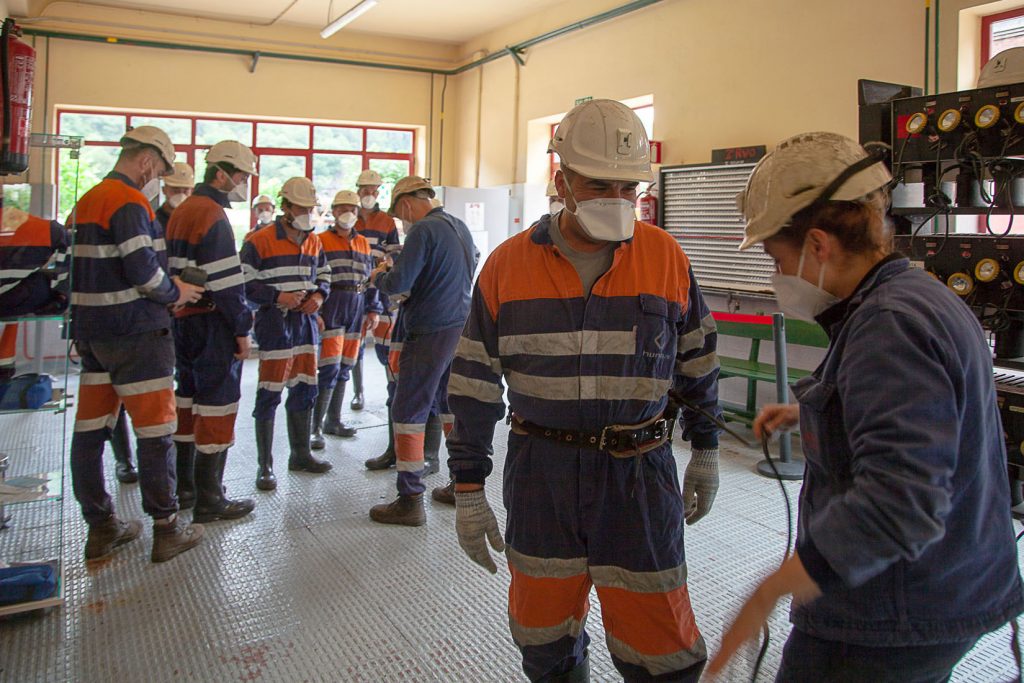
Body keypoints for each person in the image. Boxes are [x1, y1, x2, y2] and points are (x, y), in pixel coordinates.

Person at [708, 132, 1024, 681]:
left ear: (818, 245)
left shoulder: (888, 325)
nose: (775, 274)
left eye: (774, 256)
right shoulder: (913, 296)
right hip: (949, 588)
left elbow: (900, 503)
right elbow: (920, 421)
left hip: (890, 615)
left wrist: (771, 590)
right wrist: (813, 413)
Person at [446, 99, 722, 682]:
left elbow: (697, 361)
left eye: (630, 187)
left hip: (640, 477)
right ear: (562, 181)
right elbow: (472, 385)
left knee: (662, 647)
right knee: (545, 639)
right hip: (541, 474)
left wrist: (706, 449)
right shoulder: (505, 267)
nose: (618, 200)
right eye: (601, 184)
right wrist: (468, 487)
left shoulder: (666, 257)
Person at [69, 125, 206, 563]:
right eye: (161, 171)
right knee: (156, 433)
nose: (158, 180)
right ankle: (166, 529)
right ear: (147, 161)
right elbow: (144, 273)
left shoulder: (87, 199)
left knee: (91, 432)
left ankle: (102, 526)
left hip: (92, 334)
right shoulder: (128, 202)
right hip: (137, 334)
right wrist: (176, 292)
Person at [365, 176, 476, 526]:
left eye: (399, 214)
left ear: (407, 204)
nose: (401, 220)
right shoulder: (459, 227)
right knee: (447, 406)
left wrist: (379, 276)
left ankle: (410, 498)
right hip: (458, 325)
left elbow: (399, 283)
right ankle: (461, 483)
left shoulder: (422, 232)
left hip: (428, 330)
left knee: (408, 409)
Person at [166, 140, 257, 523]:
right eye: (239, 176)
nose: (242, 183)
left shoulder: (183, 210)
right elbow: (226, 285)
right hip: (212, 324)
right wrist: (241, 329)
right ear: (220, 173)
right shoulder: (212, 215)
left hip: (183, 322)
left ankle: (185, 488)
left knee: (186, 401)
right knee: (217, 404)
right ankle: (210, 498)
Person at [240, 176, 332, 489]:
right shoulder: (258, 240)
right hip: (274, 323)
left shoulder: (314, 240)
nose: (306, 212)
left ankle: (301, 454)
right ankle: (265, 466)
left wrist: (319, 297)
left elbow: (324, 275)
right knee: (270, 390)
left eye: (310, 207)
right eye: (300, 207)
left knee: (306, 387)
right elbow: (245, 284)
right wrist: (277, 297)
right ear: (285, 207)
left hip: (305, 325)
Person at [310, 189, 381, 450]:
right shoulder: (319, 241)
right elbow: (313, 277)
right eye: (341, 208)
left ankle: (334, 421)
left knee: (345, 366)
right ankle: (315, 428)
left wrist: (373, 309)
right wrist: (316, 312)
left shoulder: (363, 242)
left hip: (357, 308)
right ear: (334, 211)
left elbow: (371, 278)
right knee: (328, 366)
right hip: (331, 306)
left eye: (351, 208)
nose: (347, 213)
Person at [352, 168, 401, 413]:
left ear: (378, 192)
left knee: (385, 341)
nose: (369, 194)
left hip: (381, 290)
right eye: (365, 190)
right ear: (358, 191)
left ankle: (389, 388)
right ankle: (357, 392)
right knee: (354, 343)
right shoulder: (350, 217)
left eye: (373, 190)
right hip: (353, 290)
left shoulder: (387, 221)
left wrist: (384, 267)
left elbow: (394, 253)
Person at [0, 207, 69, 380]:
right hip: (19, 300)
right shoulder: (44, 229)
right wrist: (60, 292)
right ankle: (4, 368)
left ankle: (4, 367)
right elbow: (63, 242)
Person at [155, 162, 194, 232]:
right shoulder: (154, 222)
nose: (181, 195)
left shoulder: (195, 221)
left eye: (185, 191)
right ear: (164, 190)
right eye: (175, 191)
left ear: (191, 191)